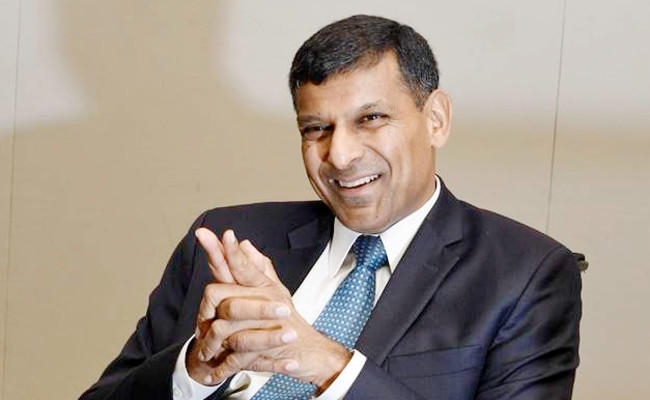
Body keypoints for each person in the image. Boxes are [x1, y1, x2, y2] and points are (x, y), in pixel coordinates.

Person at [80, 15, 581, 400]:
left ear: (436, 119)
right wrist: (193, 369)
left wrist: (325, 364)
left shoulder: (525, 275)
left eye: (371, 119)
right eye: (316, 129)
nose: (339, 155)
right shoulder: (228, 240)